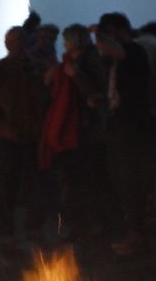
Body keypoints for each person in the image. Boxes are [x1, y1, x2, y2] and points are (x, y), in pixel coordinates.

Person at [0, 26, 45, 248]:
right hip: (7, 135)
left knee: (35, 185)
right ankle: (6, 231)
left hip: (33, 135)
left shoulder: (36, 69)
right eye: (13, 42)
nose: (17, 46)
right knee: (5, 186)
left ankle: (33, 228)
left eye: (20, 41)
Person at [96, 12, 156, 255]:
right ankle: (131, 231)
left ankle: (136, 234)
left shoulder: (134, 51)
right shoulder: (119, 59)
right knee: (121, 180)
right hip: (120, 125)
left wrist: (99, 37)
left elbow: (114, 51)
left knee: (131, 181)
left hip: (133, 128)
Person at [41, 24, 107, 245]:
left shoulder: (84, 63)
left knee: (80, 181)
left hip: (82, 132)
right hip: (78, 131)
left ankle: (85, 226)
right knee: (78, 180)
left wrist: (75, 75)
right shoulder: (76, 61)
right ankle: (84, 225)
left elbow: (96, 93)